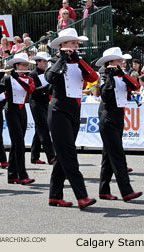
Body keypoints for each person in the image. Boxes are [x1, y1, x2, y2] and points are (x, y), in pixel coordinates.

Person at [45, 28, 98, 209]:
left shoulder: (79, 62)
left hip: (74, 112)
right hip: (58, 111)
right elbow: (50, 77)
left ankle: (55, 195)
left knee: (63, 154)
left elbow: (94, 77)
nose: (76, 47)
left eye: (76, 44)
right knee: (69, 154)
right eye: (73, 43)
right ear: (62, 45)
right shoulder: (53, 61)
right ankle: (81, 195)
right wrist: (61, 58)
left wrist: (79, 61)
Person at [95, 47, 143, 202]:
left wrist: (121, 74)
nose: (122, 62)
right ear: (110, 63)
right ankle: (126, 191)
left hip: (119, 116)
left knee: (108, 156)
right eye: (118, 60)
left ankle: (104, 190)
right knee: (117, 154)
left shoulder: (122, 76)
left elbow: (135, 86)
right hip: (107, 116)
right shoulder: (103, 77)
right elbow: (105, 93)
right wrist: (109, 75)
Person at [0, 53, 36, 185]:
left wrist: (17, 78)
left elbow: (30, 90)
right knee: (19, 143)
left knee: (17, 143)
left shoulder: (29, 79)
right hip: (11, 110)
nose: (25, 67)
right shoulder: (7, 79)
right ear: (16, 65)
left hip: (22, 110)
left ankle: (12, 175)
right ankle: (22, 175)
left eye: (26, 65)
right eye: (23, 65)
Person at [29, 52, 55, 165]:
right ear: (38, 62)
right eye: (43, 61)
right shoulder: (32, 74)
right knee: (43, 129)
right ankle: (51, 156)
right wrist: (47, 86)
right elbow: (33, 90)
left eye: (46, 61)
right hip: (36, 103)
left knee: (39, 129)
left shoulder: (46, 74)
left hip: (45, 103)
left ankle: (34, 156)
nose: (45, 63)